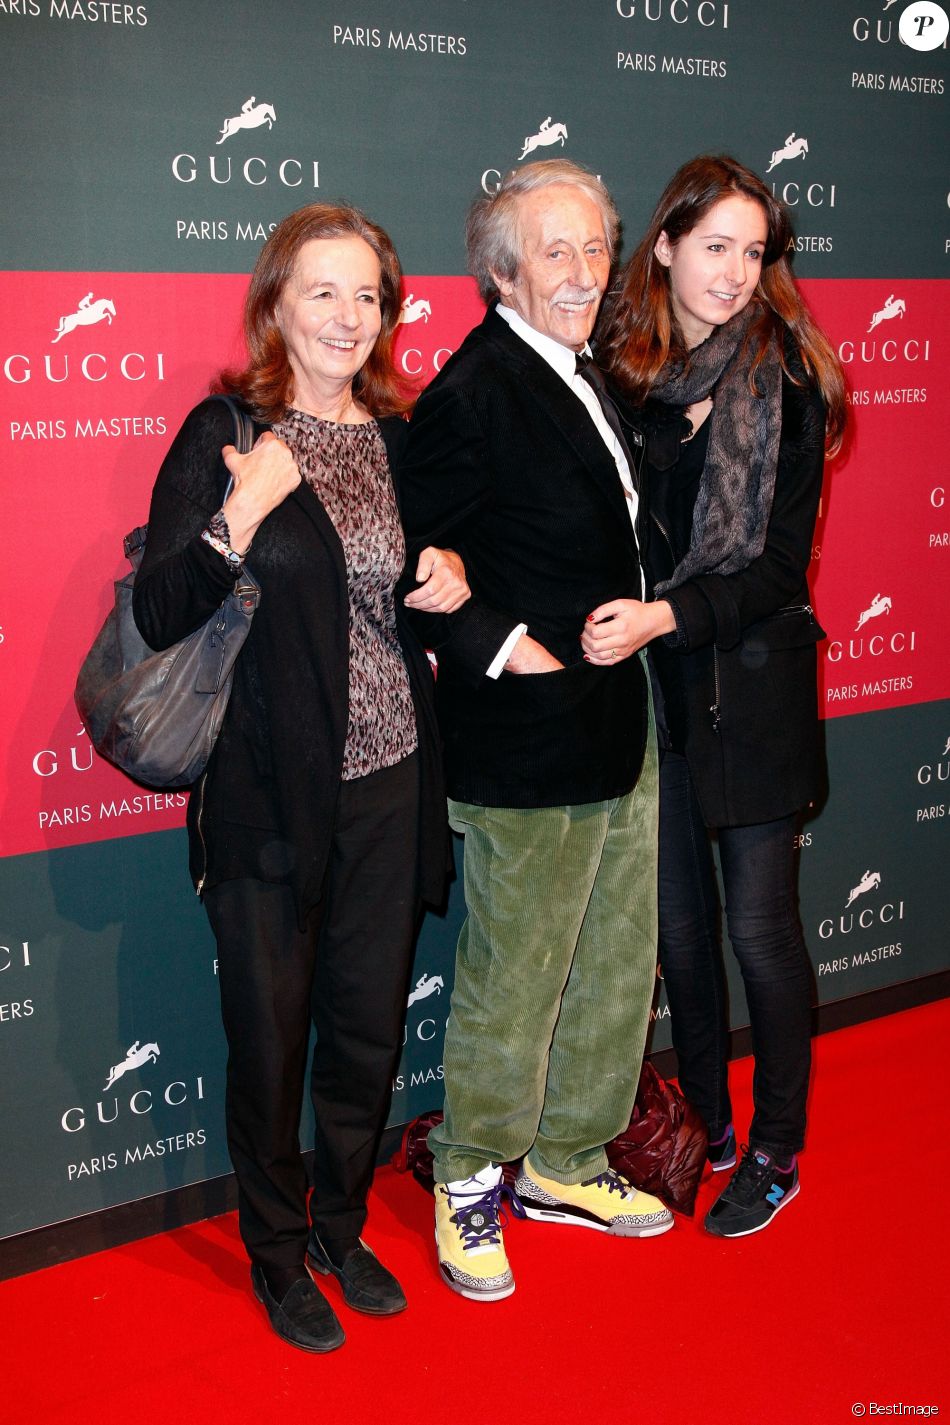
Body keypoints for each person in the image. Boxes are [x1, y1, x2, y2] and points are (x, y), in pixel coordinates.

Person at [132, 203, 469, 1350]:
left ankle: (337, 1227)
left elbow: (420, 575)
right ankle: (275, 1254)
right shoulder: (225, 429)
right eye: (321, 291)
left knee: (366, 1030)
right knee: (271, 1038)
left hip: (391, 784)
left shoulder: (396, 436)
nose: (345, 315)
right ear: (276, 303)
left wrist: (447, 570)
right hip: (268, 798)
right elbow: (161, 609)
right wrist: (239, 511)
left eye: (367, 294)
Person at [397, 159, 674, 1305]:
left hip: (617, 721)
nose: (579, 271)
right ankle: (468, 1172)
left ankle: (564, 1160)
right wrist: (509, 643)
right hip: (524, 741)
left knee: (613, 968)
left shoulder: (584, 373)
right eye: (551, 250)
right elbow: (409, 562)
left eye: (593, 248)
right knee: (516, 982)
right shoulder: (475, 389)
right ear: (501, 270)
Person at [594, 155, 846, 1237]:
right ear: (662, 246)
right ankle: (710, 1121)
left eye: (753, 253)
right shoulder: (619, 377)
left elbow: (776, 570)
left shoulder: (783, 378)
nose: (735, 273)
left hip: (752, 692)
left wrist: (665, 616)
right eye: (714, 247)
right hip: (649, 696)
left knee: (755, 932)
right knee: (680, 938)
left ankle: (776, 1151)